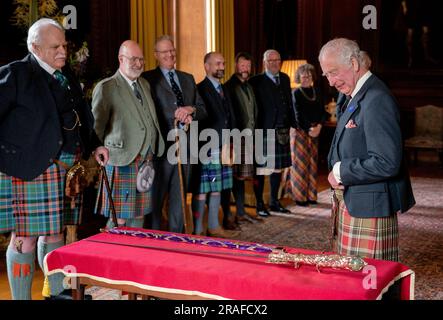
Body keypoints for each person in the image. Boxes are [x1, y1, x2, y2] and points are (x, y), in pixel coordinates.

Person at [0, 18, 109, 300]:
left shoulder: (66, 75)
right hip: (31, 169)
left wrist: (94, 145)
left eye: (64, 45)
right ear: (34, 47)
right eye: (55, 46)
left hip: (67, 168)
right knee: (25, 238)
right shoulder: (16, 74)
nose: (63, 51)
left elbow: (83, 117)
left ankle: (55, 293)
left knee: (55, 232)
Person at [318, 38, 415, 261]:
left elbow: (386, 162)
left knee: (368, 283)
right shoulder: (351, 93)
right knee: (349, 279)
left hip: (370, 208)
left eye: (334, 72)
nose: (331, 82)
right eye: (327, 75)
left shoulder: (377, 99)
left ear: (353, 63)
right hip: (355, 202)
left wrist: (341, 170)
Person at [92, 40, 164, 229]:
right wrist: (96, 149)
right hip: (122, 159)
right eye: (133, 59)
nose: (138, 64)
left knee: (139, 213)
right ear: (120, 59)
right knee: (120, 218)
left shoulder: (144, 85)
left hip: (145, 160)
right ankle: (110, 256)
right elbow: (96, 126)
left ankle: (133, 255)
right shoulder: (107, 87)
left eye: (141, 59)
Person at [141, 35, 206, 233]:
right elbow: (148, 113)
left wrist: (190, 110)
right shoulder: (147, 79)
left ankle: (177, 240)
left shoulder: (187, 78)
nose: (170, 54)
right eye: (164, 52)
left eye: (172, 50)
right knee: (156, 199)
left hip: (185, 150)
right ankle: (153, 241)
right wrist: (174, 116)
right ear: (156, 55)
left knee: (179, 200)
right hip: (161, 150)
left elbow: (203, 109)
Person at [192, 52, 238, 238]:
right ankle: (197, 229)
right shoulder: (199, 89)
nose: (221, 66)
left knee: (217, 187)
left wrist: (233, 139)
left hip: (224, 146)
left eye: (223, 63)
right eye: (217, 63)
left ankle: (214, 225)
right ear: (207, 66)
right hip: (207, 146)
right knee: (203, 190)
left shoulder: (224, 88)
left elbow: (231, 115)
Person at [249, 49, 295, 217]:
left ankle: (274, 202)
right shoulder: (256, 81)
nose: (275, 63)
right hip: (263, 131)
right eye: (271, 60)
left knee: (277, 169)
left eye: (278, 59)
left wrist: (293, 123)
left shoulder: (284, 78)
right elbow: (251, 108)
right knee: (262, 170)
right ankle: (260, 204)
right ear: (264, 63)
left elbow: (289, 102)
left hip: (282, 130)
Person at [224, 52, 264, 225]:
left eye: (248, 65)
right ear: (235, 65)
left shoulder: (249, 86)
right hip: (236, 137)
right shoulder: (229, 87)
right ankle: (233, 214)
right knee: (235, 177)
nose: (245, 68)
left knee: (243, 176)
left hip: (249, 137)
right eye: (242, 65)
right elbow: (230, 115)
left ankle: (241, 212)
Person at [284, 63, 329, 206]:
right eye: (303, 76)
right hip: (300, 132)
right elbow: (297, 115)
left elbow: (323, 112)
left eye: (308, 76)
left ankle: (311, 196)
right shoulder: (295, 93)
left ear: (312, 77)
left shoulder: (317, 91)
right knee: (300, 166)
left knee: (312, 165)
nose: (306, 79)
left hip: (316, 131)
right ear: (298, 77)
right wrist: (310, 129)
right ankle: (300, 197)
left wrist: (319, 127)